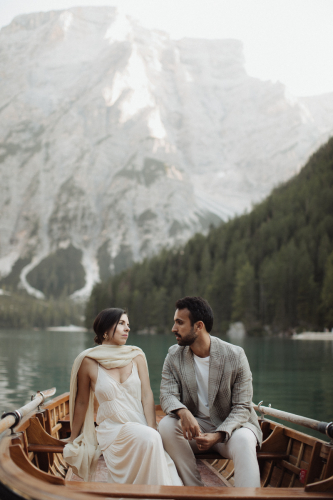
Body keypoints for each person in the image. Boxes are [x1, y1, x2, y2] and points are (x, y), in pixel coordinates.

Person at [63, 308, 182, 486]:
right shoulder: (88, 361)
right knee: (150, 438)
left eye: (128, 325)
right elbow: (81, 402)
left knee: (153, 441)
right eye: (121, 324)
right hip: (112, 429)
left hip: (141, 425)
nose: (127, 329)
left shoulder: (136, 355)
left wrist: (151, 426)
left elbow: (147, 395)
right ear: (105, 330)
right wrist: (73, 437)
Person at [159, 296, 262, 488]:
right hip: (196, 431)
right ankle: (195, 489)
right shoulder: (173, 355)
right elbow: (167, 395)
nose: (173, 329)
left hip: (232, 429)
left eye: (179, 323)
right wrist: (184, 413)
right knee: (166, 426)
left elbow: (242, 407)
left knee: (246, 439)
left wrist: (219, 434)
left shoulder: (235, 355)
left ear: (198, 326)